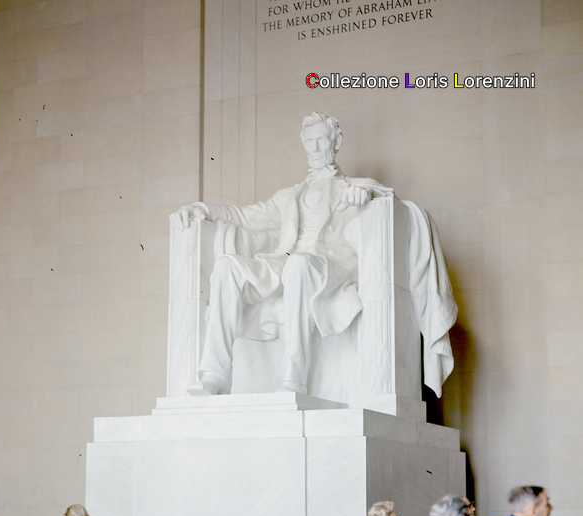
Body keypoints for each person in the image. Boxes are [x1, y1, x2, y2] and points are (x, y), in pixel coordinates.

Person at [172, 112, 456, 399]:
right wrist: (202, 209)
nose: (315, 148)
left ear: (336, 142)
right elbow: (244, 216)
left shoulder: (355, 187)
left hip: (332, 266)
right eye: (310, 141)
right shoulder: (289, 196)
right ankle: (215, 375)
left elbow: (393, 205)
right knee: (227, 267)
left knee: (299, 266)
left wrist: (366, 198)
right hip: (286, 261)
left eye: (321, 140)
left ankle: (295, 377)